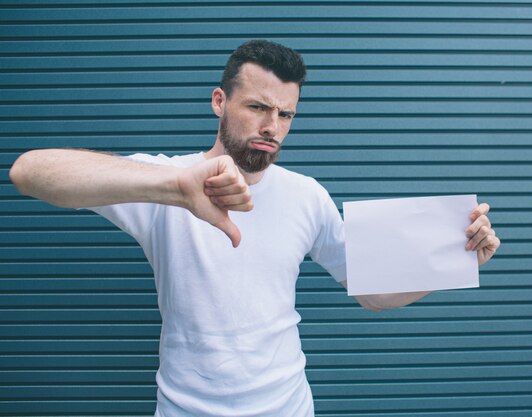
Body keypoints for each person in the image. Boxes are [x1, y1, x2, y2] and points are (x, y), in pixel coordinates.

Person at [9, 40, 501, 417]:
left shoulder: (306, 194)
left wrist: (452, 258)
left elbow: (372, 292)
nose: (273, 126)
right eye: (258, 108)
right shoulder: (165, 179)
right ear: (219, 101)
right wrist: (175, 187)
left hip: (287, 406)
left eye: (286, 114)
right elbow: (29, 173)